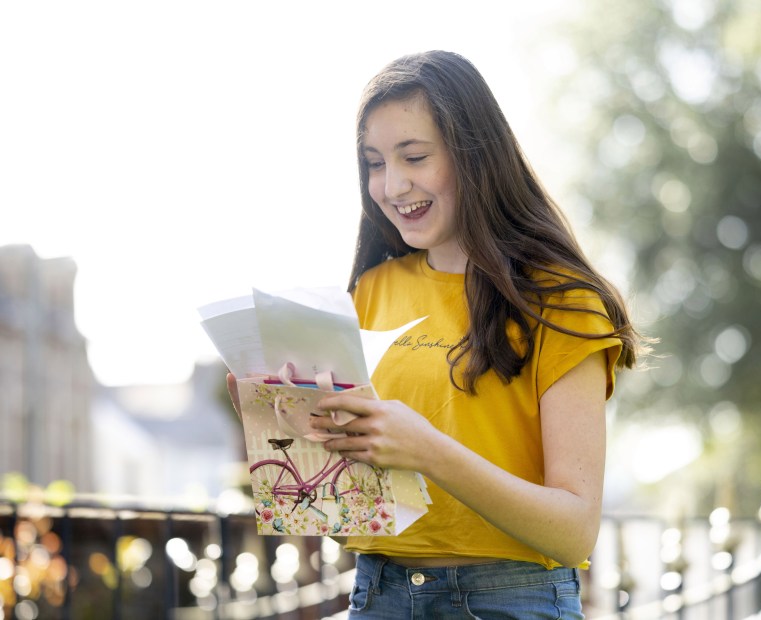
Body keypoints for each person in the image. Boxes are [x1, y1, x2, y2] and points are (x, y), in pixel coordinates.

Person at [229, 50, 647, 619]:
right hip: (377, 596)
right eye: (374, 162)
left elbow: (574, 532)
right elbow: (354, 526)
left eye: (415, 156)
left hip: (510, 601)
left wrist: (427, 450)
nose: (391, 185)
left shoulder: (561, 302)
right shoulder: (369, 291)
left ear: (476, 156)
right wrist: (294, 439)